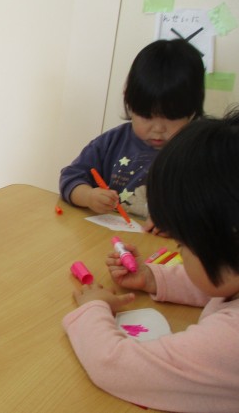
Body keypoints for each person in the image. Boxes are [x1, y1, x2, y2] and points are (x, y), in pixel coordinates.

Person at [62, 111, 239, 412]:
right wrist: (153, 278)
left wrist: (92, 308)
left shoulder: (229, 341)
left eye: (181, 245)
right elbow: (223, 282)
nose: (181, 253)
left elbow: (116, 366)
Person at [59, 39, 204, 231]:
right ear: (130, 103)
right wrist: (88, 196)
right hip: (110, 241)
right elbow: (70, 177)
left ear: (192, 111)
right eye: (146, 116)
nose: (158, 128)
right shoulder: (112, 142)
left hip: (165, 246)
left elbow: (215, 211)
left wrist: (179, 223)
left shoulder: (202, 152)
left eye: (171, 117)